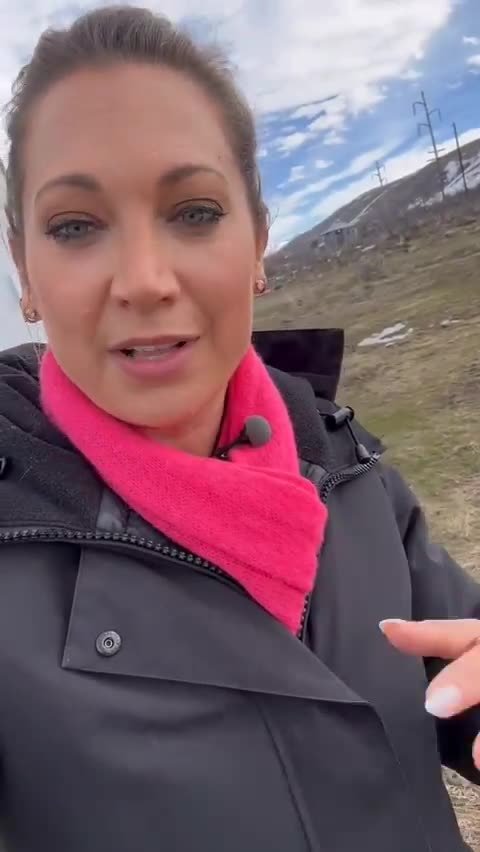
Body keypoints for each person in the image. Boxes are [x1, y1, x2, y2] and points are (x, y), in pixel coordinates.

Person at [0, 7, 479, 852]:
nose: (144, 281)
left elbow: (461, 666)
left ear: (258, 241)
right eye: (76, 226)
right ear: (24, 271)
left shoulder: (351, 471)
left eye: (193, 212)